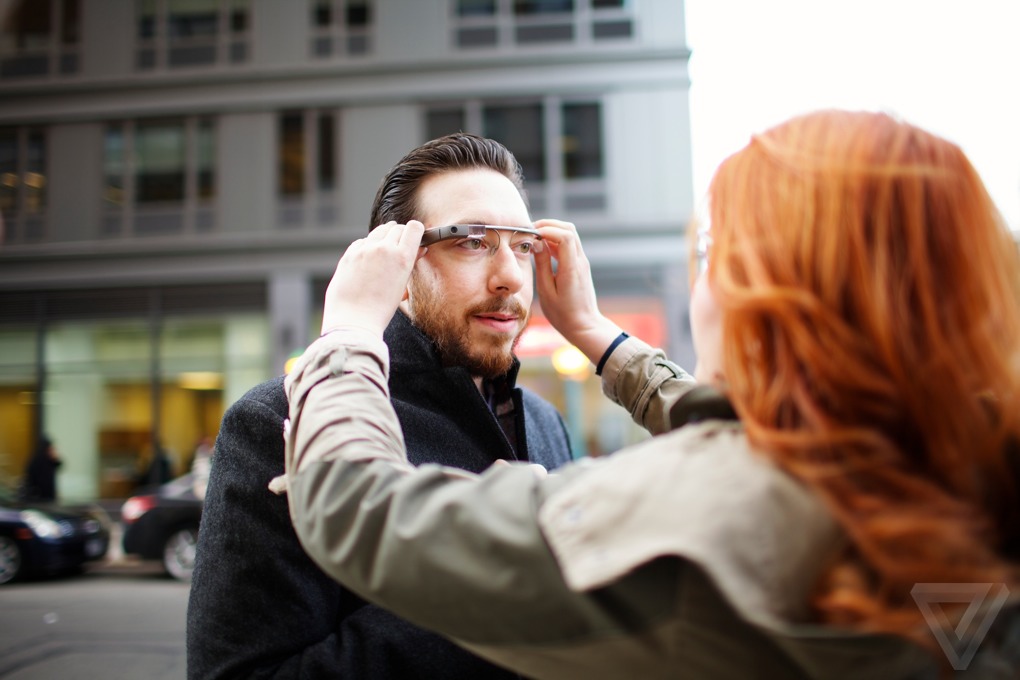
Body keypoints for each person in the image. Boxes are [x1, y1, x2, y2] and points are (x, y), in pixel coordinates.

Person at [281, 110, 1020, 679]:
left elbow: (357, 510)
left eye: (710, 255)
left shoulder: (694, 501)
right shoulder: (970, 467)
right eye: (472, 239)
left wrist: (346, 336)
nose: (509, 274)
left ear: (764, 295)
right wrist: (599, 335)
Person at [186, 133, 573, 679]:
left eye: (523, 245)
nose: (510, 274)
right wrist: (500, 592)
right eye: (472, 241)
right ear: (400, 268)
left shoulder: (544, 420)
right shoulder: (278, 419)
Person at [21, 435, 62, 502]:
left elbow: (59, 465)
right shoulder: (37, 461)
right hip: (39, 498)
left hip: (49, 496)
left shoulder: (50, 460)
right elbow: (31, 477)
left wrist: (55, 458)